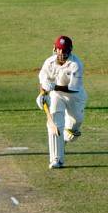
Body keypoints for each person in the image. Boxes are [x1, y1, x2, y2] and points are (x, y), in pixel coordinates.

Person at [36, 35, 87, 169]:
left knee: (73, 131)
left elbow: (73, 88)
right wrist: (43, 93)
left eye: (64, 51)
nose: (61, 53)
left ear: (70, 51)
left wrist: (54, 86)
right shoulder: (49, 62)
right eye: (59, 49)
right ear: (54, 48)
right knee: (55, 123)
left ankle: (64, 138)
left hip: (75, 97)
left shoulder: (76, 64)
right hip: (56, 96)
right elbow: (43, 80)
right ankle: (56, 159)